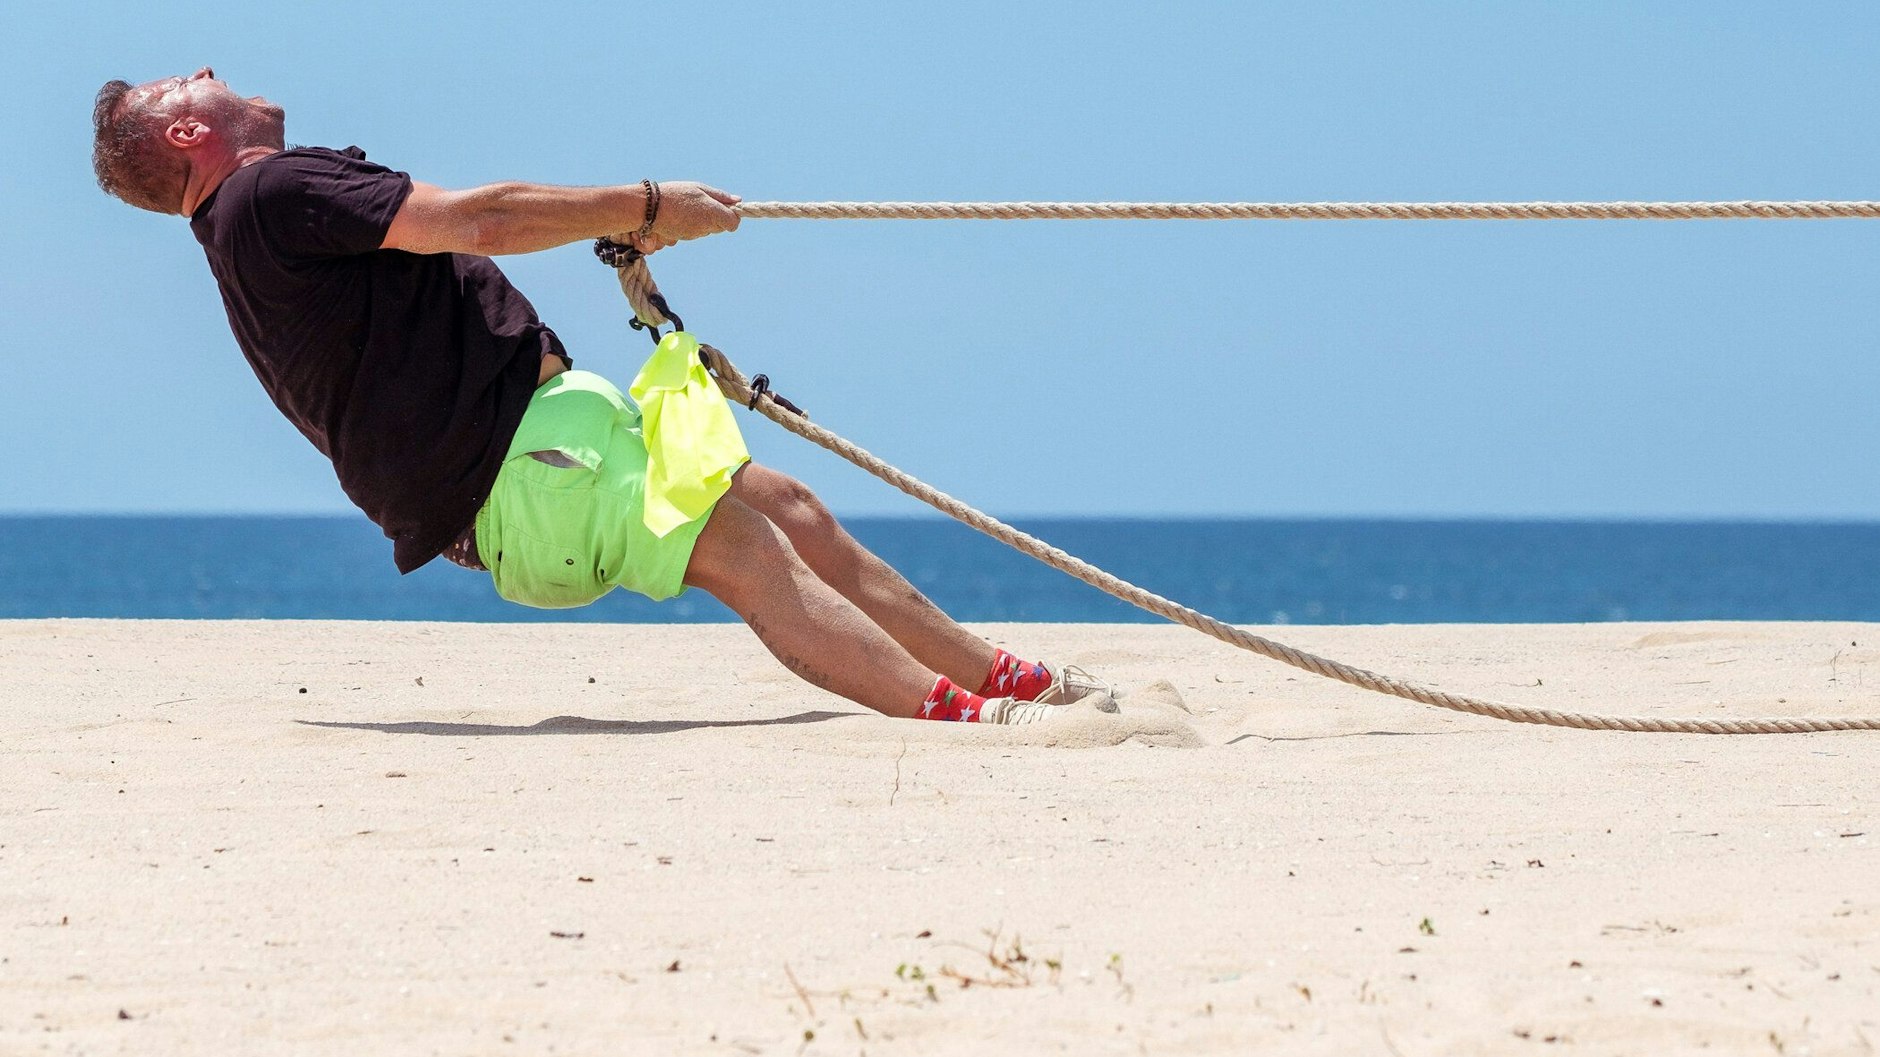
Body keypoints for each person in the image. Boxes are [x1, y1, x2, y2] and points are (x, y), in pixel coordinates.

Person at [90, 68, 1113, 725]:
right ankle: (971, 721)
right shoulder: (269, 192)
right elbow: (477, 221)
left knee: (789, 508)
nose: (214, 71)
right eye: (192, 78)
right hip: (520, 478)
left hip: (548, 446)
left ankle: (996, 675)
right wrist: (649, 203)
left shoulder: (249, 223)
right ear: (186, 130)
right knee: (746, 550)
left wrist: (624, 233)